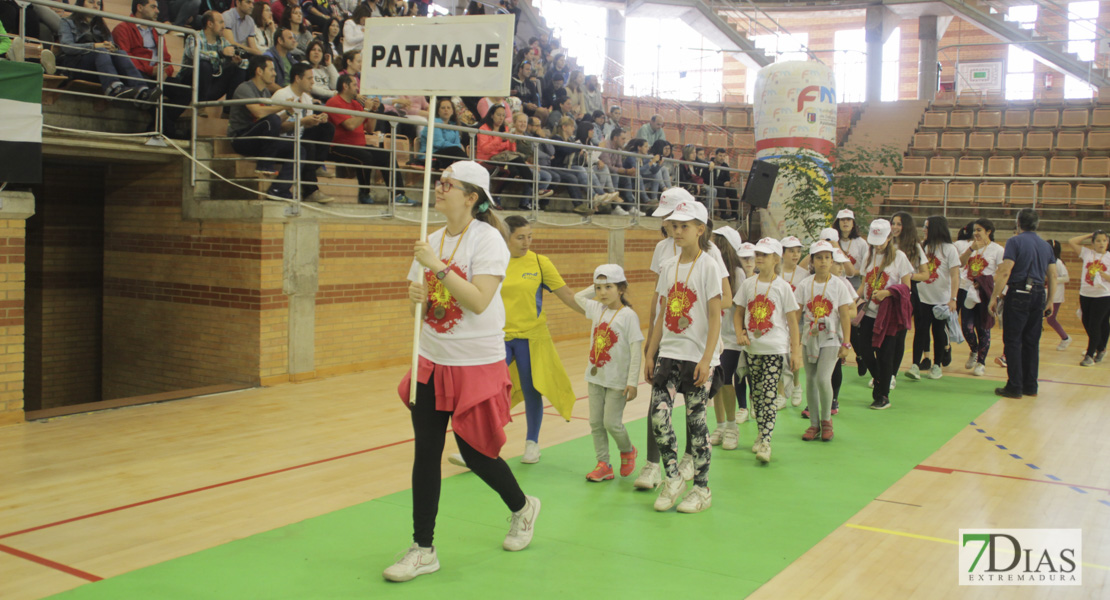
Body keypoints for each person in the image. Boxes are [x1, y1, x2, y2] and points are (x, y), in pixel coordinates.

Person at [387, 161, 540, 583]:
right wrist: (415, 295)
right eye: (439, 182)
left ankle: (523, 507)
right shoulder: (432, 238)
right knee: (426, 453)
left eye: (447, 184)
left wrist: (436, 267)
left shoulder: (490, 239)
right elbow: (421, 302)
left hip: (475, 361)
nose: (438, 189)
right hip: (432, 358)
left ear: (471, 197)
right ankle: (423, 548)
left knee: (476, 454)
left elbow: (477, 300)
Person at [644, 200, 720, 513]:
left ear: (700, 230)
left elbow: (715, 317)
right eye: (674, 226)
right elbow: (662, 312)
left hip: (698, 357)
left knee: (696, 423)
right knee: (659, 417)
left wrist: (706, 358)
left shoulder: (709, 265)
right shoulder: (668, 266)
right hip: (669, 353)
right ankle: (673, 477)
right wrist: (650, 352)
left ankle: (701, 489)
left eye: (684, 226)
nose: (677, 231)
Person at [494, 216, 583, 463]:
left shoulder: (540, 263)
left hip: (531, 338)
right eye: (520, 237)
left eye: (530, 236)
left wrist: (596, 314)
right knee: (491, 392)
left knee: (534, 389)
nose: (526, 242)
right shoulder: (494, 261)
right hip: (499, 338)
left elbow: (566, 295)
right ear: (506, 237)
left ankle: (532, 443)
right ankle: (483, 444)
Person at [573, 264, 642, 482]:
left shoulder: (629, 316)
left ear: (621, 289)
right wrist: (596, 286)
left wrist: (632, 382)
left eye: (608, 287)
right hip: (595, 377)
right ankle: (603, 464)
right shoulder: (597, 309)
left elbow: (636, 350)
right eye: (599, 288)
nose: (602, 292)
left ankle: (628, 450)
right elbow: (577, 297)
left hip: (617, 381)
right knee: (595, 422)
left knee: (611, 423)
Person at [228, 55, 329, 202]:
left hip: (261, 139)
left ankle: (278, 189)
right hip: (242, 138)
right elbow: (259, 113)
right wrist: (282, 106)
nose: (275, 73)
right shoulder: (245, 88)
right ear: (259, 71)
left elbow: (274, 122)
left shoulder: (264, 92)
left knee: (299, 149)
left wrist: (288, 112)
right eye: (271, 69)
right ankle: (265, 164)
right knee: (273, 119)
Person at [734, 237, 800, 463]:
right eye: (757, 254)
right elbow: (738, 312)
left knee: (770, 392)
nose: (759, 258)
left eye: (764, 254)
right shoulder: (747, 284)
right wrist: (740, 332)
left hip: (775, 348)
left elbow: (792, 321)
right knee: (758, 394)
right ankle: (761, 432)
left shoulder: (783, 287)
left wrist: (796, 351)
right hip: (753, 349)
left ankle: (766, 442)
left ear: (776, 259)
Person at [989, 209, 1057, 398]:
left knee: (1012, 340)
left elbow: (1005, 271)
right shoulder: (1046, 246)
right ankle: (1030, 385)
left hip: (1019, 292)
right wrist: (1050, 300)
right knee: (1031, 342)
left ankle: (1014, 386)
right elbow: (1052, 275)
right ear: (1037, 224)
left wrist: (994, 296)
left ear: (1018, 223)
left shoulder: (1014, 241)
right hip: (1038, 294)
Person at [794, 241, 852, 442]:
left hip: (831, 338)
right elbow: (795, 312)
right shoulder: (805, 284)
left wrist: (846, 344)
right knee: (809, 379)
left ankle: (827, 421)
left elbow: (845, 316)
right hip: (810, 337)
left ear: (832, 260)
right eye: (819, 257)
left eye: (827, 257)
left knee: (822, 378)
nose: (824, 261)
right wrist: (793, 338)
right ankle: (814, 424)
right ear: (812, 261)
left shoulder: (838, 285)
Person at [856, 219, 913, 410]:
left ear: (889, 238)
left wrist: (887, 293)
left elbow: (906, 287)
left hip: (889, 316)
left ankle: (883, 395)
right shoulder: (868, 256)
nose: (877, 244)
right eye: (874, 240)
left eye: (881, 240)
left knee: (885, 354)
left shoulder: (900, 257)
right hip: (869, 312)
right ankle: (880, 380)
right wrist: (852, 299)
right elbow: (864, 284)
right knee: (864, 350)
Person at [58, 0, 156, 101]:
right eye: (91, 2)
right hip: (77, 66)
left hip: (100, 69)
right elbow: (67, 47)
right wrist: (94, 46)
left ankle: (141, 89)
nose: (96, 6)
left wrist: (113, 48)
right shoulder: (67, 22)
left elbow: (113, 46)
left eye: (99, 4)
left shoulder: (102, 27)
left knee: (120, 52)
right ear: (81, 3)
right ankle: (113, 88)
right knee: (101, 51)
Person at [271, 61, 336, 202]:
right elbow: (277, 127)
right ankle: (311, 191)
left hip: (299, 134)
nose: (313, 82)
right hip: (283, 139)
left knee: (327, 127)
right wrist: (302, 122)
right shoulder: (281, 95)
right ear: (297, 78)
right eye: (309, 78)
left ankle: (316, 164)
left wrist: (316, 120)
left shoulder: (307, 98)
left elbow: (305, 125)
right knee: (307, 145)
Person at [906, 215, 960, 381]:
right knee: (920, 332)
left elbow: (955, 275)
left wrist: (953, 298)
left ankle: (937, 365)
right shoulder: (922, 247)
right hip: (922, 297)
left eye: (927, 227)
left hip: (941, 300)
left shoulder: (949, 249)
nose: (924, 230)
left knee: (938, 332)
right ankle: (915, 364)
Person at [709, 226, 746, 449]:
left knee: (726, 380)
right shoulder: (709, 268)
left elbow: (741, 306)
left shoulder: (738, 274)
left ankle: (732, 426)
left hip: (731, 337)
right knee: (716, 383)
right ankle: (720, 425)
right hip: (715, 335)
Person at [326, 74, 390, 204]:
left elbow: (370, 128)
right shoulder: (334, 102)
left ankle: (398, 194)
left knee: (386, 155)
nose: (357, 88)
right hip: (338, 147)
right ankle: (364, 193)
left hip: (358, 145)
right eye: (355, 85)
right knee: (365, 156)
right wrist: (366, 109)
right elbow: (350, 125)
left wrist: (373, 111)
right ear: (345, 86)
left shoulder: (356, 104)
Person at [957, 218, 1003, 376]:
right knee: (967, 327)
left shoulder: (997, 250)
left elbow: (1001, 273)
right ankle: (974, 350)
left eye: (979, 230)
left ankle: (981, 362)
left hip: (985, 292)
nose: (975, 233)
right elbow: (960, 264)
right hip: (967, 290)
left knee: (983, 327)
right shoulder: (970, 246)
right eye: (974, 230)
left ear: (988, 231)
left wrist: (984, 282)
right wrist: (970, 249)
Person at [1067, 230, 1110, 366]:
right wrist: (1090, 234)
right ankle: (1101, 348)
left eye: (1104, 240)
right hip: (1085, 293)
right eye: (1098, 240)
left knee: (1095, 323)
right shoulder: (1087, 253)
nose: (1101, 243)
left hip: (1103, 295)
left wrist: (1104, 275)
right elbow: (1071, 241)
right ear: (1093, 243)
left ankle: (1090, 355)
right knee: (1087, 321)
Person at [183, 10, 244, 102]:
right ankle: (199, 104)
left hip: (211, 85)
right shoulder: (194, 37)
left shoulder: (223, 41)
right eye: (220, 22)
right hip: (190, 83)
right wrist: (220, 53)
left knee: (237, 68)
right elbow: (194, 54)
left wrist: (236, 60)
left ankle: (229, 110)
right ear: (210, 24)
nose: (223, 26)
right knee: (204, 65)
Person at [112, 0, 173, 82]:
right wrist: (150, 70)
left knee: (184, 90)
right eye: (153, 7)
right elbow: (124, 58)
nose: (157, 11)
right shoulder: (122, 29)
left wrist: (166, 72)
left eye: (157, 7)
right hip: (137, 74)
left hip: (158, 75)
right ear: (140, 8)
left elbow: (166, 58)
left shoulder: (157, 30)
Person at [778, 235, 805, 409]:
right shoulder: (775, 271)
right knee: (780, 356)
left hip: (797, 321)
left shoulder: (804, 275)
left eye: (798, 251)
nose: (795, 255)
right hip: (778, 321)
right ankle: (781, 393)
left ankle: (796, 385)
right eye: (791, 251)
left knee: (794, 352)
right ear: (782, 253)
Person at [415, 97, 469, 170]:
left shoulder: (454, 126)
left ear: (452, 111)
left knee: (456, 152)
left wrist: (457, 146)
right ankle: (471, 169)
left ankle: (469, 170)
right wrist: (458, 146)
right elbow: (439, 144)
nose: (446, 110)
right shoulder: (433, 123)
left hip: (447, 157)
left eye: (448, 108)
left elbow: (456, 143)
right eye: (443, 108)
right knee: (456, 150)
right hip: (430, 157)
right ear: (438, 111)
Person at [1047, 240, 1071, 351]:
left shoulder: (1058, 263)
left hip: (1056, 296)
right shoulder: (1044, 260)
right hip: (1045, 294)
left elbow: (1066, 278)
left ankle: (1065, 338)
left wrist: (1053, 279)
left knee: (1051, 319)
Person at [835, 209, 867, 288]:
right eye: (842, 220)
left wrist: (853, 272)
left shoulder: (861, 243)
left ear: (853, 223)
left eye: (848, 219)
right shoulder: (834, 241)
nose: (845, 222)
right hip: (836, 279)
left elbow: (868, 266)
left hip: (854, 281)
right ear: (838, 223)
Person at [262, 26, 296, 91]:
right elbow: (267, 84)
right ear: (280, 40)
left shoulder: (292, 59)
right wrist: (286, 93)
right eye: (290, 38)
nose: (294, 41)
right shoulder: (268, 57)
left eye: (293, 38)